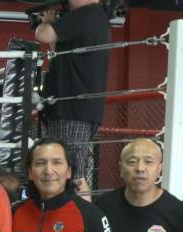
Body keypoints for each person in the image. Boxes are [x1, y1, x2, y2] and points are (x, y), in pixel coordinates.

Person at [34, 0, 110, 195]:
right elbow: (57, 46)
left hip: (73, 108)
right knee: (66, 169)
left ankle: (85, 223)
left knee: (74, 173)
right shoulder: (92, 17)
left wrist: (45, 23)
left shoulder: (87, 14)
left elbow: (43, 34)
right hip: (71, 107)